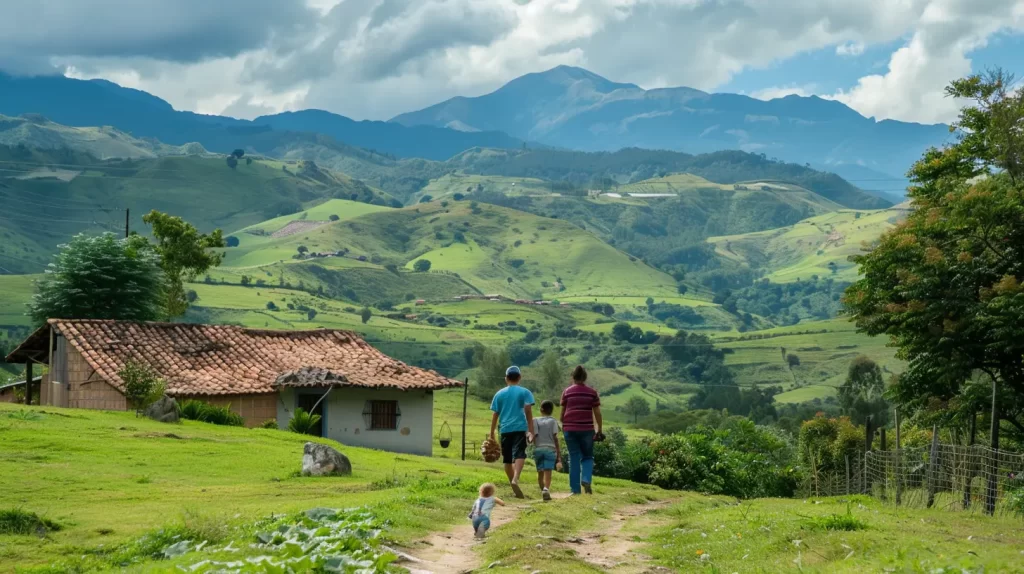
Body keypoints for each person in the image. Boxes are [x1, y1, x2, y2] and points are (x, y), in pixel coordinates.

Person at [489, 365, 535, 498]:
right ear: (519, 377)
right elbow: (528, 411)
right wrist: (530, 431)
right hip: (520, 427)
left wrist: (491, 433)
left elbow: (495, 414)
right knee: (520, 453)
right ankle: (516, 478)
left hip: (505, 429)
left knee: (507, 459)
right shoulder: (525, 392)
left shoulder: (499, 394)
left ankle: (512, 482)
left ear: (506, 378)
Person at [560, 365, 602, 495]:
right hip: (587, 429)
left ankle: (575, 490)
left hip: (570, 428)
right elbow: (597, 413)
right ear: (585, 377)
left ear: (573, 377)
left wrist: (564, 424)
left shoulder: (567, 392)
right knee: (587, 456)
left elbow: (562, 413)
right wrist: (599, 429)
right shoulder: (592, 393)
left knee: (573, 458)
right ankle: (586, 479)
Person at [532, 400, 562, 501]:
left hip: (538, 449)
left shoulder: (535, 420)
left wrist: (535, 444)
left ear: (541, 409)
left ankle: (543, 491)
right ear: (552, 410)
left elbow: (534, 435)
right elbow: (555, 437)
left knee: (540, 472)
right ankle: (546, 489)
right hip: (550, 449)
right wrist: (558, 453)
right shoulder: (553, 421)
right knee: (548, 471)